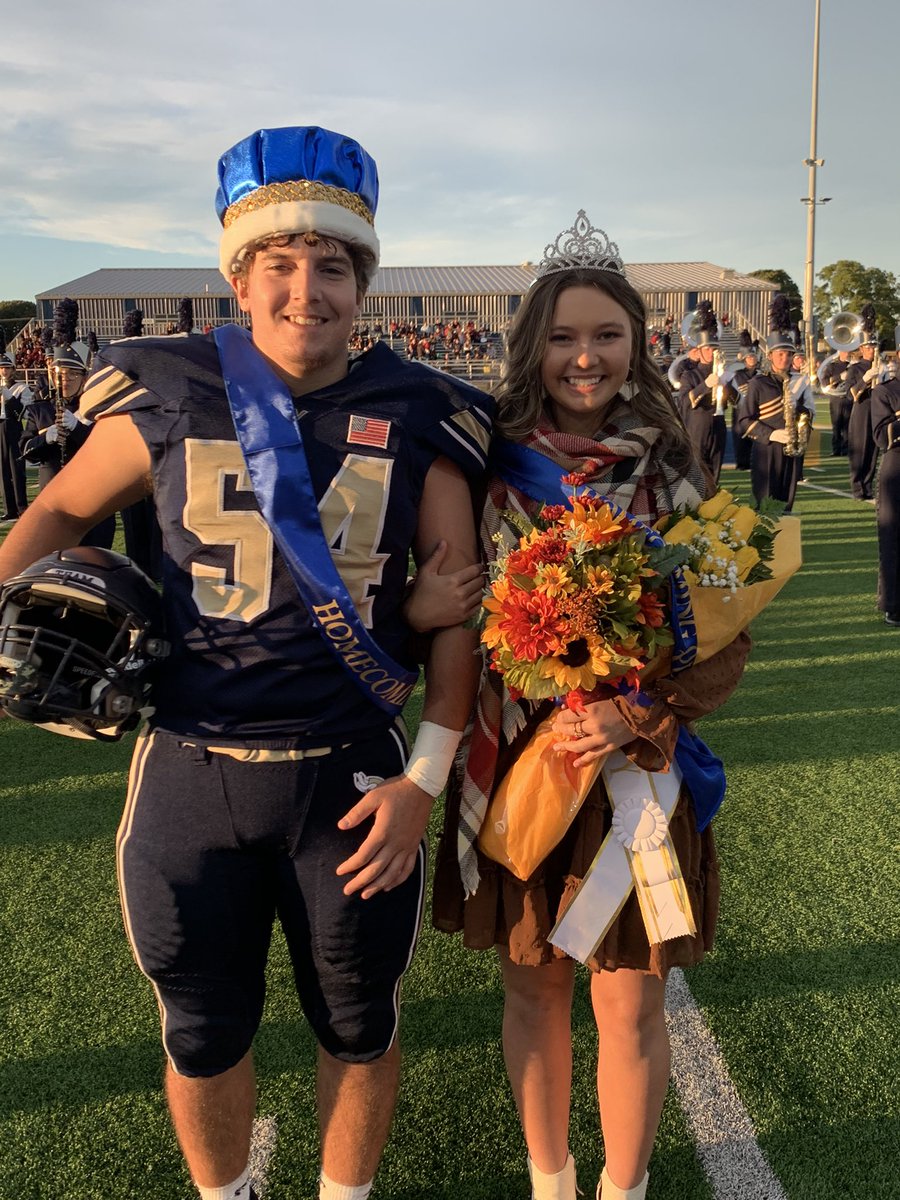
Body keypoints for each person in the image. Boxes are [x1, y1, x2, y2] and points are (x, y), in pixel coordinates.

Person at [0, 123, 491, 1200]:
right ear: (239, 278)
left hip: (350, 771)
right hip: (192, 763)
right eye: (280, 264)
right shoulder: (171, 388)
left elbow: (458, 609)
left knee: (358, 1024)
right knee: (201, 1028)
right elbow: (59, 510)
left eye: (332, 267)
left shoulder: (418, 409)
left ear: (363, 284)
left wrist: (424, 778)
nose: (306, 290)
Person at [424, 211, 750, 1200]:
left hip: (641, 772)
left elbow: (730, 633)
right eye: (563, 336)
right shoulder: (486, 459)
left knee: (629, 1006)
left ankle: (624, 1188)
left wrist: (637, 714)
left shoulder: (679, 463)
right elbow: (455, 612)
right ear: (533, 343)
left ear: (636, 343)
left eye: (607, 335)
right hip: (525, 763)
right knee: (534, 989)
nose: (585, 357)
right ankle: (552, 1181)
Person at [20, 334, 116, 548]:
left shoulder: (98, 410)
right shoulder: (40, 410)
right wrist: (46, 437)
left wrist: (78, 428)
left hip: (93, 501)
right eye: (61, 373)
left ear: (85, 377)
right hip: (53, 502)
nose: (66, 379)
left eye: (73, 373)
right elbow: (26, 451)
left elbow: (108, 451)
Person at [736, 297, 814, 514]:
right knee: (765, 507)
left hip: (793, 448)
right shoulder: (758, 383)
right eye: (780, 354)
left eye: (789, 354)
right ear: (770, 355)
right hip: (766, 450)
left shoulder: (799, 381)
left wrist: (800, 412)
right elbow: (744, 420)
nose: (785, 359)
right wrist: (772, 434)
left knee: (786, 505)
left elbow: (809, 414)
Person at [676, 305, 727, 482]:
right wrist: (705, 385)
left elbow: (735, 401)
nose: (711, 353)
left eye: (714, 349)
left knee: (714, 475)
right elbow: (684, 402)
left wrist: (726, 384)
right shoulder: (690, 375)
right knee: (696, 474)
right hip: (697, 429)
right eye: (707, 349)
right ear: (699, 351)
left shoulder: (722, 373)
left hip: (718, 427)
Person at [870, 353, 900, 625]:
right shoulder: (885, 391)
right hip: (897, 469)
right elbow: (882, 437)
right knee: (893, 538)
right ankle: (893, 604)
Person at [845, 306, 880, 500]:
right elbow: (851, 395)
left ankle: (868, 486)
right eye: (868, 347)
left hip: (877, 412)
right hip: (861, 412)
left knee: (873, 451)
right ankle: (858, 488)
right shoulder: (855, 369)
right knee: (860, 450)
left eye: (874, 347)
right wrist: (865, 379)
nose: (872, 350)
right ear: (861, 349)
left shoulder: (882, 368)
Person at [0, 347, 31, 521]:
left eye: (7, 367)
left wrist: (9, 397)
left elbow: (22, 414)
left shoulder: (22, 388)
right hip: (0, 429)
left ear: (13, 369)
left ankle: (21, 506)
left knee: (16, 468)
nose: (4, 371)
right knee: (3, 470)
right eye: (1, 368)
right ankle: (9, 508)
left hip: (14, 429)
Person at [725, 343, 758, 470]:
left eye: (753, 357)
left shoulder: (761, 375)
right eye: (749, 357)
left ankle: (755, 462)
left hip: (757, 412)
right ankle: (742, 463)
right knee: (740, 438)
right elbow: (730, 392)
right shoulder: (737, 375)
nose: (752, 359)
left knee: (757, 438)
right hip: (740, 411)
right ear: (744, 359)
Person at [820, 348, 853, 456]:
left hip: (848, 397)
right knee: (836, 425)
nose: (848, 353)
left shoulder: (851, 366)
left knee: (847, 425)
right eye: (846, 351)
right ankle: (836, 449)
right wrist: (839, 377)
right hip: (836, 399)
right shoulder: (831, 366)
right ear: (840, 353)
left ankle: (846, 449)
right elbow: (824, 381)